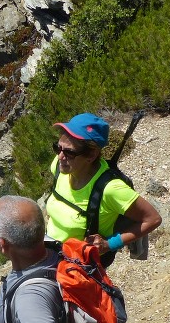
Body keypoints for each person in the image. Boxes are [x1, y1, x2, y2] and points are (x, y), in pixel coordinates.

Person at [47, 112, 162, 262]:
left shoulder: (111, 189)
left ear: (91, 155)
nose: (60, 156)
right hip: (50, 252)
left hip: (79, 267)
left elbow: (153, 219)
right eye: (58, 148)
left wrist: (108, 244)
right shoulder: (59, 168)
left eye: (69, 152)